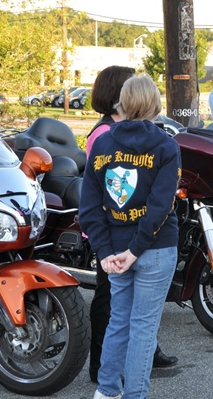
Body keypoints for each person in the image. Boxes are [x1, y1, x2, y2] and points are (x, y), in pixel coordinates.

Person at [79, 74, 182, 399]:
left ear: (121, 104)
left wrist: (105, 251)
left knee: (119, 321)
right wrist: (135, 250)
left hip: (117, 248)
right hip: (154, 248)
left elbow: (89, 207)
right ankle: (135, 394)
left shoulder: (102, 144)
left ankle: (107, 391)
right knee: (143, 328)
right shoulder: (166, 145)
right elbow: (160, 207)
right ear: (155, 106)